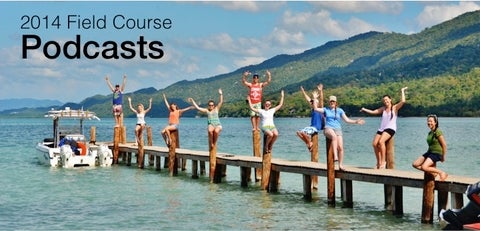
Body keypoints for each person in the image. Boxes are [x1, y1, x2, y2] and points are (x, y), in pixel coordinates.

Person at [312, 93, 365, 171]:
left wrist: (356, 121)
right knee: (333, 137)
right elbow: (316, 109)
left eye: (333, 101)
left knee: (340, 147)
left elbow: (347, 120)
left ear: (336, 102)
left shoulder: (340, 110)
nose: (332, 103)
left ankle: (340, 165)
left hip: (338, 129)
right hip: (328, 128)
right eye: (331, 101)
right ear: (329, 102)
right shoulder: (326, 109)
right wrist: (314, 99)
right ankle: (335, 156)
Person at [360, 87, 408, 169]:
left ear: (390, 99)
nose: (385, 102)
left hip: (390, 128)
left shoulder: (395, 107)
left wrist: (402, 91)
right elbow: (373, 112)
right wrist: (364, 109)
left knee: (381, 141)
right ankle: (378, 162)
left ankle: (383, 162)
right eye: (384, 101)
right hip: (382, 128)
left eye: (387, 100)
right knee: (374, 144)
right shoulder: (383, 109)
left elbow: (403, 101)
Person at [412, 114, 448, 181]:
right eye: (428, 121)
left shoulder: (438, 131)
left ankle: (442, 173)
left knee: (424, 167)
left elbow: (444, 145)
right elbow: (431, 145)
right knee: (415, 164)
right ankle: (433, 172)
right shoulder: (430, 133)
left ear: (435, 122)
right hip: (430, 152)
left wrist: (443, 156)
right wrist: (427, 154)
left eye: (431, 121)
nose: (429, 123)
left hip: (437, 153)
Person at [296, 84, 324, 152]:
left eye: (314, 102)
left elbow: (321, 99)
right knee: (298, 132)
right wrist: (303, 91)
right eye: (312, 102)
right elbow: (308, 99)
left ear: (317, 103)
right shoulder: (313, 108)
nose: (312, 103)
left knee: (302, 132)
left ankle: (310, 142)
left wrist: (320, 91)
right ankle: (308, 143)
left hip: (316, 127)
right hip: (312, 126)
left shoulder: (320, 108)